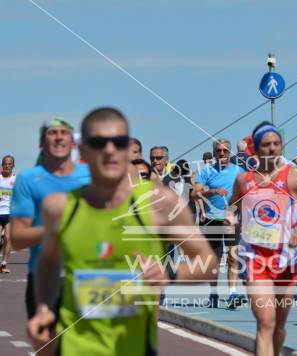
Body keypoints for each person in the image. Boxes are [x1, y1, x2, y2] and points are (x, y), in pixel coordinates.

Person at [26, 107, 217, 356]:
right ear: (82, 151)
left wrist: (168, 273)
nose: (109, 150)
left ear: (128, 149)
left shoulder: (160, 203)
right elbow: (48, 262)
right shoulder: (59, 208)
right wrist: (43, 308)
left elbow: (208, 263)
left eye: (117, 142)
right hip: (74, 348)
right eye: (98, 142)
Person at [229, 121, 297, 356]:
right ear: (255, 148)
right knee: (266, 322)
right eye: (266, 145)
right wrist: (229, 216)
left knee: (278, 328)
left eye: (276, 144)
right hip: (255, 258)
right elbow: (232, 205)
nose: (272, 149)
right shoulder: (244, 180)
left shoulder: (295, 177)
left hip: (286, 259)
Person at [10, 118, 91, 319]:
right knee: (46, 345)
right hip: (43, 277)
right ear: (41, 144)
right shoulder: (27, 179)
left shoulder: (92, 176)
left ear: (73, 144)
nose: (58, 137)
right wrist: (56, 229)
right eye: (51, 133)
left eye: (64, 133)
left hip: (88, 277)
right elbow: (18, 238)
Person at [195, 139, 245, 309]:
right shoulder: (207, 171)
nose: (222, 154)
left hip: (230, 219)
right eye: (219, 151)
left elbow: (245, 194)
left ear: (230, 152)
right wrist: (213, 191)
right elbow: (195, 193)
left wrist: (235, 210)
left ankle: (232, 293)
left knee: (233, 256)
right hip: (212, 219)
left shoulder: (239, 171)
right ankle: (214, 293)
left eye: (225, 151)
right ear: (215, 153)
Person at [0, 155, 16, 273]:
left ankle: (4, 264)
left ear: (13, 166)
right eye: (5, 163)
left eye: (9, 164)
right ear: (2, 165)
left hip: (10, 214)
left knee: (8, 237)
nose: (7, 166)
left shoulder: (16, 179)